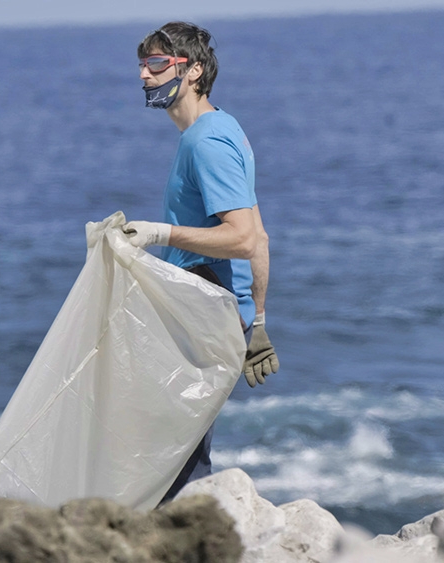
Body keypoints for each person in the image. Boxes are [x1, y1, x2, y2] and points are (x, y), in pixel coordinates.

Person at [122, 21, 280, 504]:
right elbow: (262, 235)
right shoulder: (222, 127)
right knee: (178, 446)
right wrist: (258, 323)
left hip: (205, 313)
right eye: (142, 66)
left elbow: (244, 237)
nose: (144, 77)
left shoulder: (205, 143)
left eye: (156, 65)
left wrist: (160, 233)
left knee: (172, 454)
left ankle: (184, 544)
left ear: (191, 71)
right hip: (219, 314)